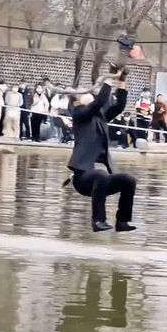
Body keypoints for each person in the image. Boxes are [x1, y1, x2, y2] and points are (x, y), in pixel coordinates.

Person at [66, 67, 136, 232]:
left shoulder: (100, 117)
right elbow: (99, 103)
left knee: (129, 180)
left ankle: (122, 222)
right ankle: (98, 221)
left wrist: (121, 78)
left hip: (101, 179)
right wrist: (109, 76)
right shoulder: (79, 115)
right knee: (101, 175)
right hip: (83, 178)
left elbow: (119, 105)